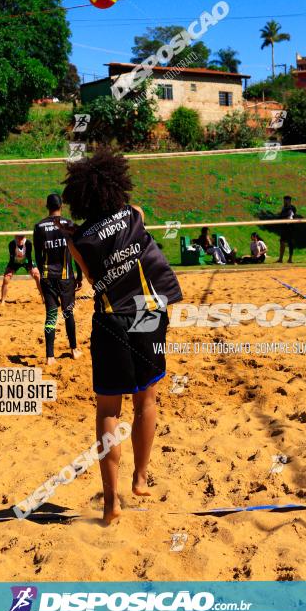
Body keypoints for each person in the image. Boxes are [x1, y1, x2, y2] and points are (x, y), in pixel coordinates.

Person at [56, 147, 183, 524]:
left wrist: (75, 235)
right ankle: (140, 477)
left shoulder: (78, 240)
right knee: (147, 399)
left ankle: (111, 503)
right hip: (147, 312)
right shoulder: (135, 214)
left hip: (111, 320)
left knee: (108, 411)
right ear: (116, 186)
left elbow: (95, 280)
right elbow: (131, 224)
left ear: (80, 199)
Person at [33, 193, 83, 366]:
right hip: (65, 277)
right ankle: (74, 349)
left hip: (48, 277)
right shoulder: (68, 225)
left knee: (51, 316)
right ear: (61, 206)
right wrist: (80, 276)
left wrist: (42, 275)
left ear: (47, 206)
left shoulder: (39, 227)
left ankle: (50, 356)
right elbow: (77, 254)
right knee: (68, 313)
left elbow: (38, 256)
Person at [0, 233, 41, 305]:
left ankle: (43, 297)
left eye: (21, 238)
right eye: (18, 238)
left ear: (24, 237)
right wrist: (10, 271)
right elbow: (12, 258)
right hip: (15, 261)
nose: (20, 240)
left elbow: (29, 256)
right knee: (6, 278)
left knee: (37, 275)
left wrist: (31, 267)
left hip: (26, 260)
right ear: (15, 237)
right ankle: (3, 300)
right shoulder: (12, 244)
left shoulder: (28, 243)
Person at [277, 195, 298, 263]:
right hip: (284, 228)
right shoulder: (284, 208)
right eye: (284, 200)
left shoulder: (292, 208)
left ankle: (290, 259)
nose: (284, 201)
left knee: (290, 243)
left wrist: (288, 219)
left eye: (285, 200)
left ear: (289, 201)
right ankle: (280, 259)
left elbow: (290, 216)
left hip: (290, 228)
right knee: (282, 242)